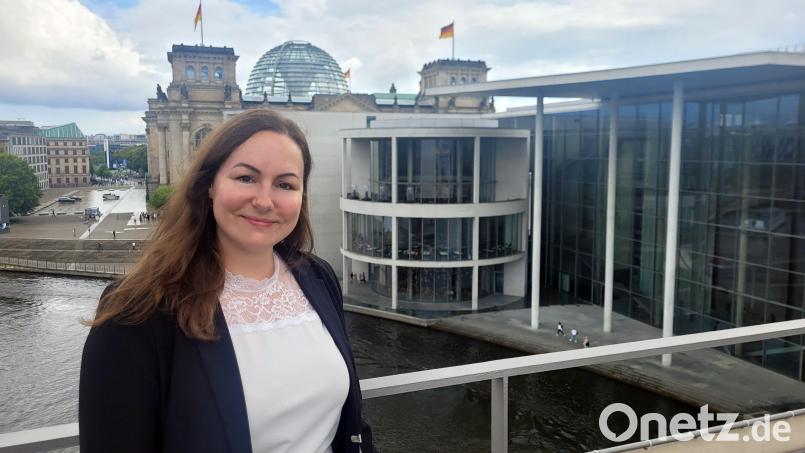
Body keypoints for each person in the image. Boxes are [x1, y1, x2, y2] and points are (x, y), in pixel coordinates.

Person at [79, 109, 375, 453]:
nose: (265, 201)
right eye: (246, 178)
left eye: (285, 184)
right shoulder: (138, 310)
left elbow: (352, 423)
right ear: (209, 185)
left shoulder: (318, 277)